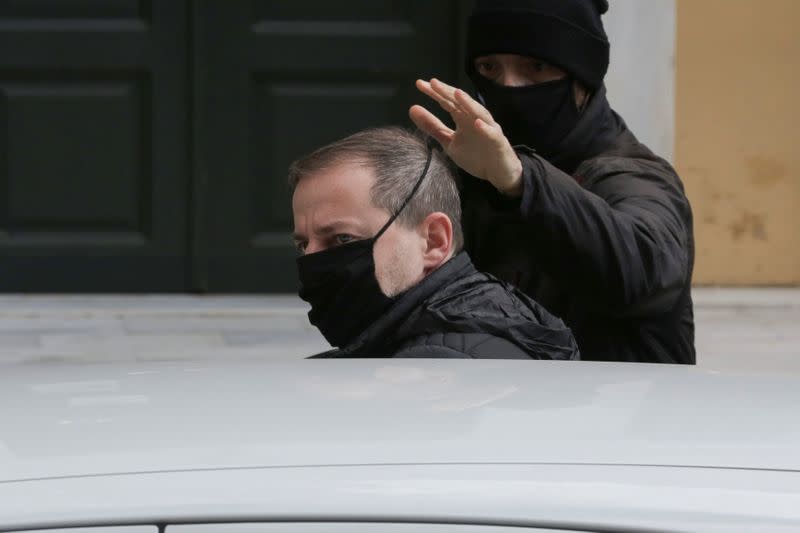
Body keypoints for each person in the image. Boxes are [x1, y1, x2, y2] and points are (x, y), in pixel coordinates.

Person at [409, 0, 695, 364]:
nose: (508, 86)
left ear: (583, 79)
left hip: (623, 411)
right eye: (489, 67)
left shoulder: (631, 174)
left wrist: (520, 182)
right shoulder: (462, 168)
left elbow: (642, 272)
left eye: (537, 67)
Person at [289, 126, 579, 360]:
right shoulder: (469, 322)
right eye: (303, 245)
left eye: (342, 238)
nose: (312, 260)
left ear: (433, 241)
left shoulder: (440, 368)